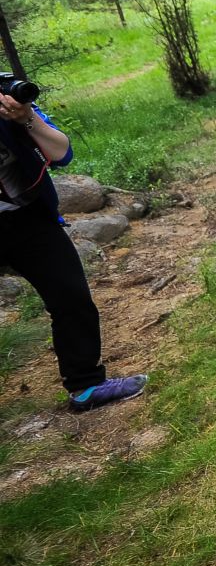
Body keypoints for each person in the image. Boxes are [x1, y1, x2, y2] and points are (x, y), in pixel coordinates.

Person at [0, 81, 148, 412]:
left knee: (71, 297)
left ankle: (85, 386)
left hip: (27, 217)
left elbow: (61, 153)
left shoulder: (6, 100)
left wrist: (26, 117)